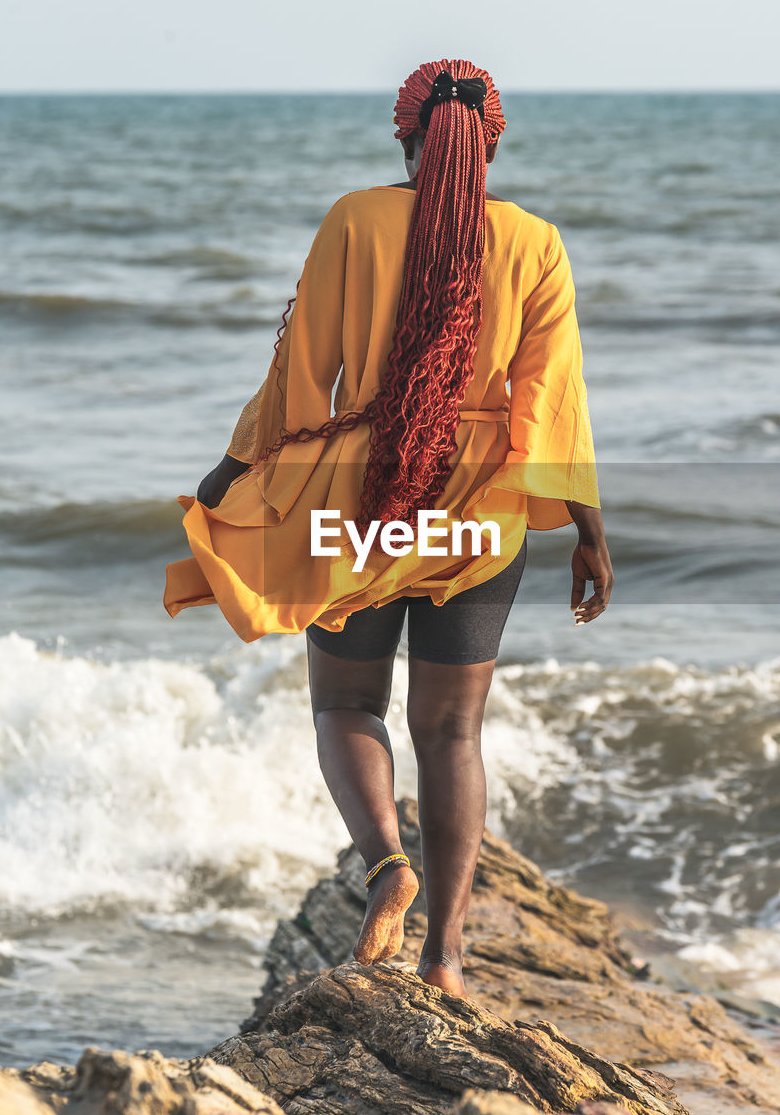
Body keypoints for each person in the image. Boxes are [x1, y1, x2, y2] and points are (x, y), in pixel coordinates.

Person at [164, 58, 614, 997]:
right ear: (491, 142)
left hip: (364, 497)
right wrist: (588, 530)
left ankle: (385, 865)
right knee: (452, 731)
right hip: (479, 508)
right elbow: (554, 406)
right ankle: (447, 960)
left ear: (404, 136)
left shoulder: (355, 221)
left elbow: (300, 378)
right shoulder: (536, 242)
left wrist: (224, 481)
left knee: (345, 705)